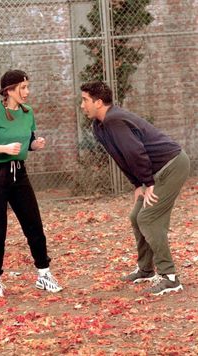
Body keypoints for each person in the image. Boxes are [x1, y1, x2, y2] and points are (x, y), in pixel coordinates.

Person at [80, 81, 190, 296]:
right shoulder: (99, 125)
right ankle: (146, 269)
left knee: (148, 218)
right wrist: (138, 184)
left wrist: (148, 183)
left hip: (172, 165)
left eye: (85, 100)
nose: (82, 105)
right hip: (154, 172)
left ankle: (170, 278)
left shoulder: (114, 120)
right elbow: (120, 156)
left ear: (99, 102)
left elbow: (135, 152)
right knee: (136, 216)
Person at [0, 69, 62, 299]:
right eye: (22, 88)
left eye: (27, 87)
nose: (27, 92)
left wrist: (36, 144)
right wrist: (2, 148)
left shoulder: (27, 112)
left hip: (19, 175)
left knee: (34, 226)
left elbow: (28, 141)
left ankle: (44, 275)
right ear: (8, 90)